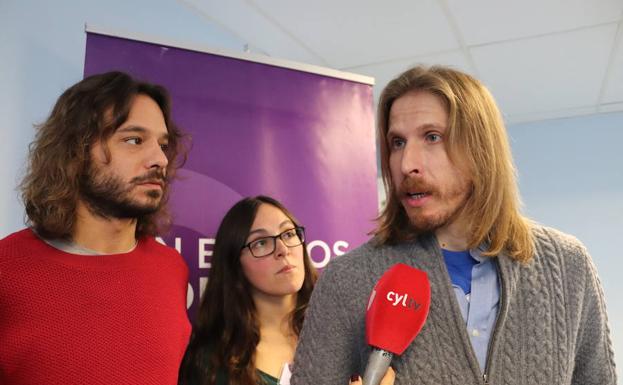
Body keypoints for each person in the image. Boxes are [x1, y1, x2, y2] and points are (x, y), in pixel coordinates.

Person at [291, 65, 617, 385]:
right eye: (397, 143)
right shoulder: (347, 280)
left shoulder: (567, 265)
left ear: (481, 150)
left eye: (432, 137)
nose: (407, 165)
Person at [0, 71, 190, 385]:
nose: (159, 159)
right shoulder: (7, 269)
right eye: (134, 140)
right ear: (75, 152)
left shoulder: (172, 269)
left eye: (163, 144)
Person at [178, 196, 317, 385]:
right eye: (261, 242)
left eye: (288, 233)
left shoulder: (340, 332)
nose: (283, 249)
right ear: (234, 264)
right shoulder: (210, 362)